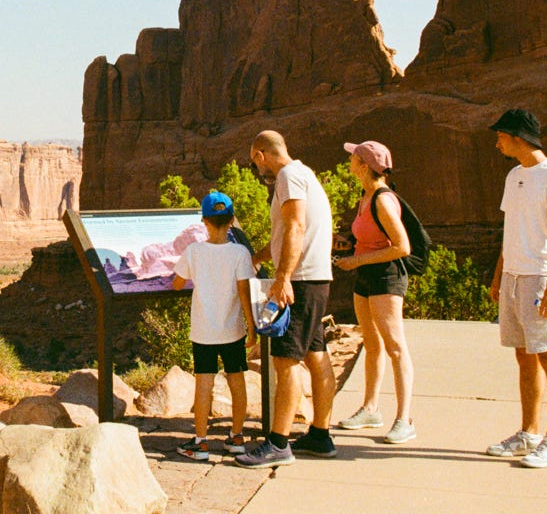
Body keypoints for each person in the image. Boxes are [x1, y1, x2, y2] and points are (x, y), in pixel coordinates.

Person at [236, 130, 337, 467]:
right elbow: (287, 235)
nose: (257, 171)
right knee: (316, 355)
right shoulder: (305, 174)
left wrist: (282, 278)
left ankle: (278, 444)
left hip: (299, 282)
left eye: (255, 164)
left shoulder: (287, 177)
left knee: (285, 360)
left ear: (261, 155)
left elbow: (295, 226)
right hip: (315, 279)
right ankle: (320, 435)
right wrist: (258, 257)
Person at [486, 109, 547, 468]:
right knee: (523, 355)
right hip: (513, 276)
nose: (497, 143)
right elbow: (511, 228)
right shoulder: (514, 176)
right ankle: (529, 433)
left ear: (517, 137)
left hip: (540, 276)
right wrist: (498, 275)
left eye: (501, 137)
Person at [332, 140, 416, 444]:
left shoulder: (382, 199)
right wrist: (347, 245)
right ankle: (370, 409)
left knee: (395, 347)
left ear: (364, 165)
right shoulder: (365, 197)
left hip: (386, 278)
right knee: (372, 344)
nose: (349, 160)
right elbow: (370, 239)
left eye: (353, 157)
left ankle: (404, 419)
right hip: (366, 277)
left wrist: (357, 260)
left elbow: (402, 247)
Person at [170, 191, 258, 460]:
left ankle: (200, 443)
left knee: (204, 384)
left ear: (204, 221)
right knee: (237, 382)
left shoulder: (194, 251)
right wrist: (252, 327)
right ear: (231, 220)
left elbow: (177, 283)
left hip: (203, 331)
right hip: (233, 330)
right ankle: (237, 437)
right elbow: (244, 291)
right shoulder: (240, 252)